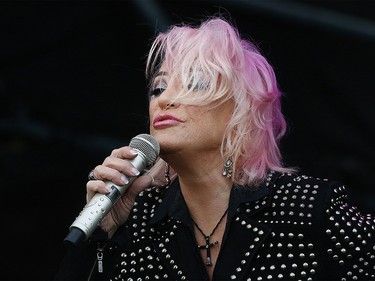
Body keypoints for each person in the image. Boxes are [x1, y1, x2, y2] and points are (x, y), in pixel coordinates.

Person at [55, 16, 375, 281]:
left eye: (195, 82)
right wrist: (104, 233)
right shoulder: (137, 226)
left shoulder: (309, 207)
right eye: (159, 88)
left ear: (241, 110)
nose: (165, 99)